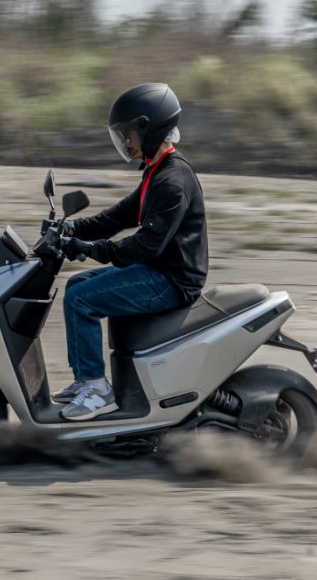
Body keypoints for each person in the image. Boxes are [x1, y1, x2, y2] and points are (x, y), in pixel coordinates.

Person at [54, 83, 208, 421]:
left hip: (171, 279)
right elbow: (122, 215)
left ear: (148, 129)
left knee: (82, 299)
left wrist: (94, 249)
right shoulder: (158, 169)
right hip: (159, 270)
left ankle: (97, 389)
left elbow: (146, 244)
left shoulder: (172, 181)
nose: (125, 142)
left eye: (128, 134)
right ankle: (86, 378)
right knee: (75, 287)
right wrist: (73, 229)